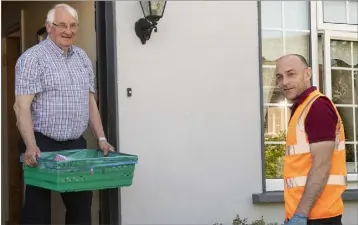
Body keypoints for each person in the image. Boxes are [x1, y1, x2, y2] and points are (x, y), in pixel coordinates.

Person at [14, 3, 114, 225]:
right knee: (37, 210)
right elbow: (21, 107)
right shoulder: (32, 59)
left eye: (73, 25)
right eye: (62, 25)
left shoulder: (82, 58)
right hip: (41, 143)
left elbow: (90, 101)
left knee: (81, 208)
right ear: (49, 27)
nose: (68, 31)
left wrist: (102, 138)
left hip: (75, 144)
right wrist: (30, 145)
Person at [275, 54, 347, 225]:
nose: (284, 82)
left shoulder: (317, 107)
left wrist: (301, 214)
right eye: (279, 77)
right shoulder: (302, 108)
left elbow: (322, 165)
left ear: (307, 74)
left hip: (317, 218)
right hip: (307, 216)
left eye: (291, 74)